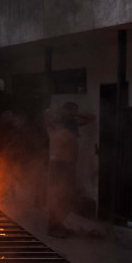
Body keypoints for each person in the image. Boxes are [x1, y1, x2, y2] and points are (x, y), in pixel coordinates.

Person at [44, 101, 95, 237]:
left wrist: (74, 115)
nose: (72, 114)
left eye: (74, 111)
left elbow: (91, 117)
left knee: (66, 197)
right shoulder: (55, 125)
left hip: (69, 166)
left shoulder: (73, 124)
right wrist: (63, 113)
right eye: (70, 111)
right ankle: (53, 227)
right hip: (58, 165)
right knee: (56, 196)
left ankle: (59, 224)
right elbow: (47, 113)